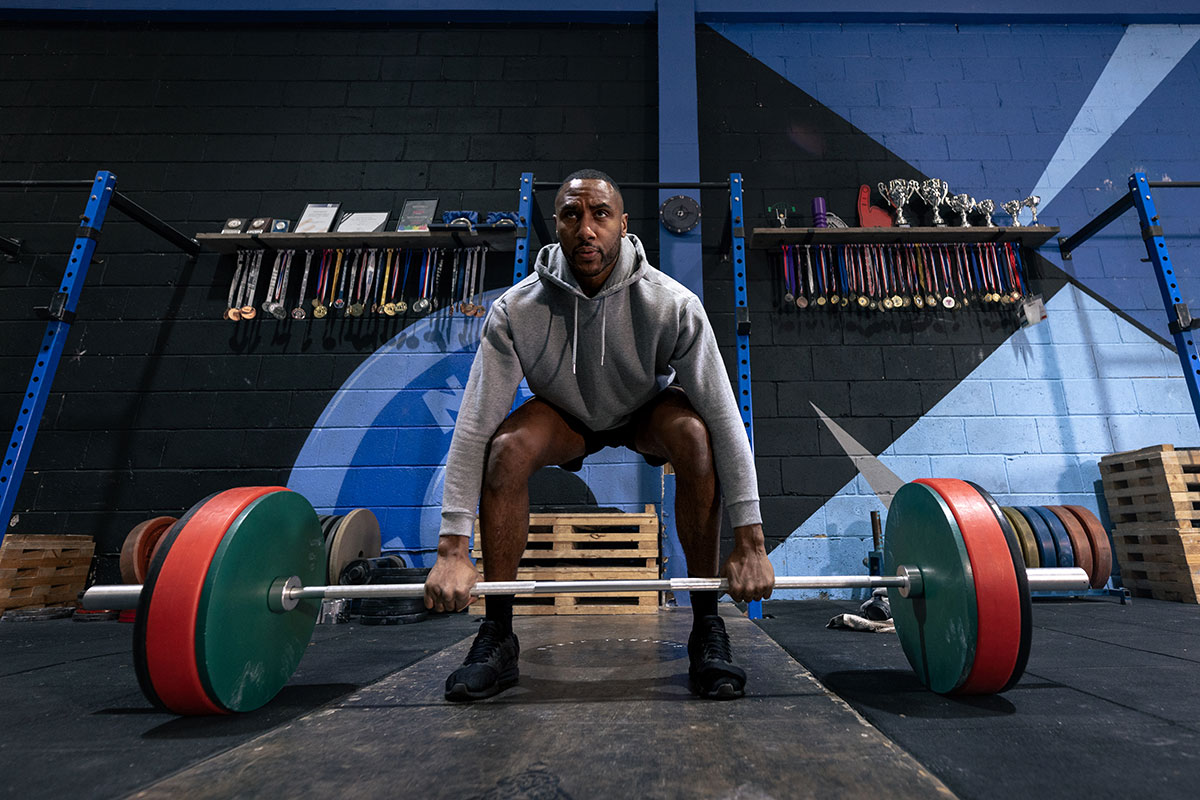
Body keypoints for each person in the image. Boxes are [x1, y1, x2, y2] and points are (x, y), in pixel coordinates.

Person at [424, 169, 774, 702]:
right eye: (571, 215)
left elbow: (727, 417)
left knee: (697, 437)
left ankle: (707, 626)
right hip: (566, 414)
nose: (585, 229)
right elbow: (474, 423)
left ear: (623, 225)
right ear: (557, 226)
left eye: (600, 215)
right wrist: (452, 547)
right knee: (506, 449)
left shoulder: (672, 304)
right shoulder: (516, 310)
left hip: (643, 410)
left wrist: (751, 543)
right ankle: (497, 633)